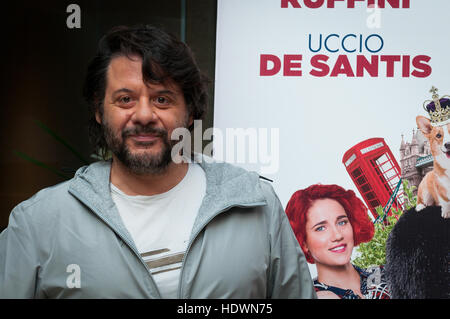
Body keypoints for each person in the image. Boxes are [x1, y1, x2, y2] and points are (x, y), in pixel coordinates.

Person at [0, 25, 315, 299]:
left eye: (162, 98)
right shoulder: (37, 224)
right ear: (99, 110)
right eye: (125, 99)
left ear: (190, 110)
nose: (144, 115)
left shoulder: (256, 203)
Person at [285, 184, 390, 299]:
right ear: (303, 243)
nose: (337, 235)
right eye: (320, 228)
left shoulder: (387, 273)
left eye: (342, 222)